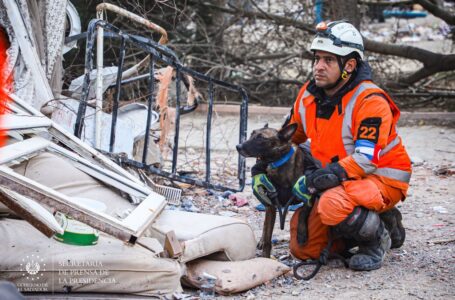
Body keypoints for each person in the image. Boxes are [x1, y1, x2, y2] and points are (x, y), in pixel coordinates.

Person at [252, 21, 412, 271]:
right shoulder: (308, 95)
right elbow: (286, 139)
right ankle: (381, 220)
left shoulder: (370, 100)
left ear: (349, 65)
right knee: (303, 249)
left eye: (328, 60)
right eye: (317, 59)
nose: (318, 67)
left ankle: (376, 238)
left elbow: (366, 160)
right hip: (339, 180)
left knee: (331, 205)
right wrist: (261, 169)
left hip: (380, 179)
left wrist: (317, 179)